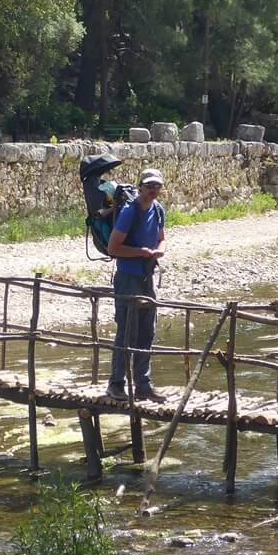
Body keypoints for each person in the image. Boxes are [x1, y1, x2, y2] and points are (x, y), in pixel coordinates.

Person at [105, 167, 166, 402]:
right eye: (149, 186)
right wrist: (139, 252)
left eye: (157, 186)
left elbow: (162, 239)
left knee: (147, 331)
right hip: (128, 278)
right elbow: (113, 248)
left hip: (148, 276)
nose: (153, 190)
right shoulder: (130, 212)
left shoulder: (158, 210)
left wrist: (158, 252)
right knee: (127, 331)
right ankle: (116, 384)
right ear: (140, 187)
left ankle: (143, 385)